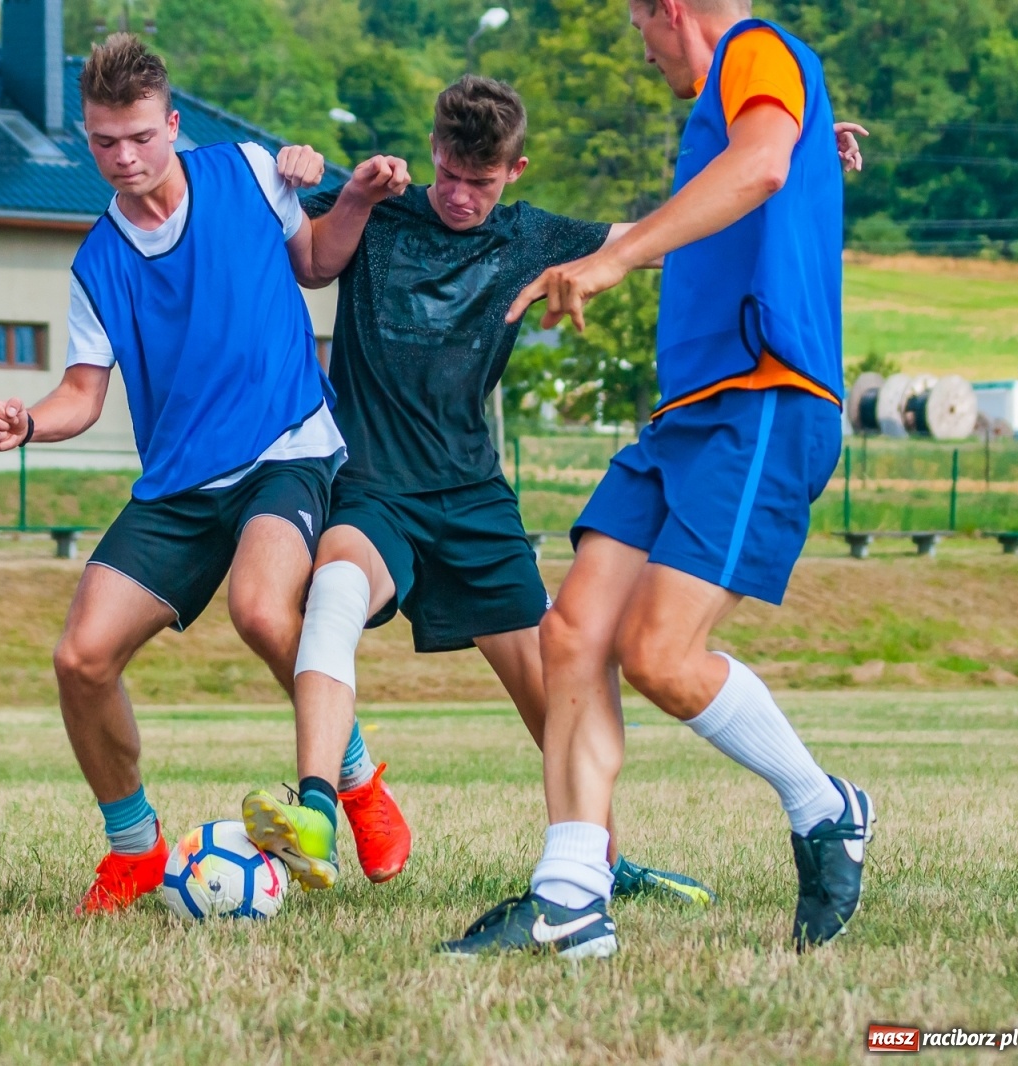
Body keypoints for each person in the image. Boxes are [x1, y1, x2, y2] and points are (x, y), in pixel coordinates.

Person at [440, 0, 871, 958]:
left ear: (670, 8)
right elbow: (761, 166)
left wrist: (612, 259)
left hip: (762, 399)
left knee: (663, 657)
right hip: (689, 414)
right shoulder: (745, 91)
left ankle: (824, 806)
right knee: (572, 632)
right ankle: (571, 898)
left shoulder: (758, 52)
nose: (639, 45)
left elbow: (761, 163)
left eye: (638, 21)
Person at [237, 76, 711, 905]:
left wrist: (797, 162)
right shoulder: (376, 202)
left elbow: (671, 237)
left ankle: (600, 858)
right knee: (335, 592)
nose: (460, 196)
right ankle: (316, 804)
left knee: (557, 689)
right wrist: (296, 165)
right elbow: (279, 221)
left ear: (515, 171)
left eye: (481, 183)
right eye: (450, 174)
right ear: (431, 153)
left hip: (474, 497)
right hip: (375, 487)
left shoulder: (533, 239)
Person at [0, 34, 409, 913]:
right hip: (178, 484)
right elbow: (83, 394)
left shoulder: (248, 170)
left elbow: (317, 261)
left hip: (285, 447)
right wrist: (28, 422)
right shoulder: (97, 262)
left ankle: (353, 783)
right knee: (80, 658)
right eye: (104, 142)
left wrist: (353, 194)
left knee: (259, 607)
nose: (124, 158)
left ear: (173, 124)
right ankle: (135, 850)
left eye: (139, 136)